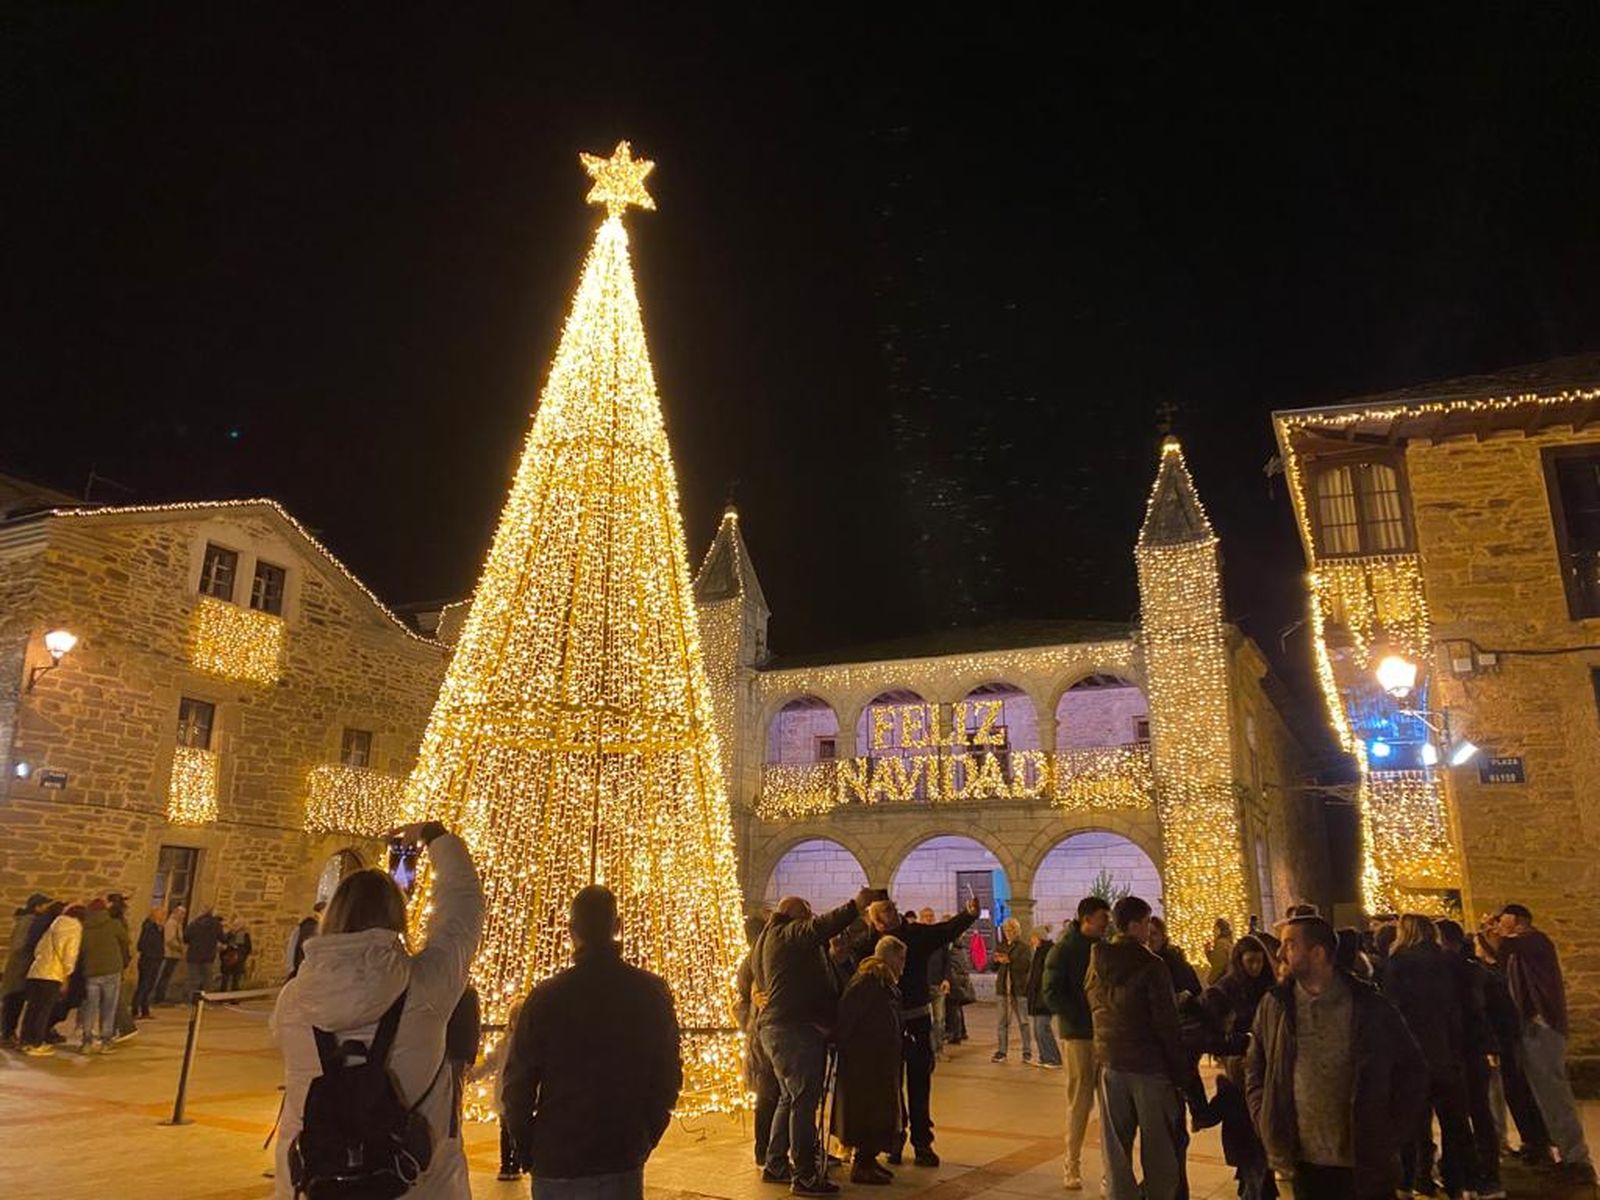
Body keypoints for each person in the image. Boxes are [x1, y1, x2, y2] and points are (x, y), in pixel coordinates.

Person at [271, 821, 484, 1199]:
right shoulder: (426, 986)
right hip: (415, 1185)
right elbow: (462, 913)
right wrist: (437, 837)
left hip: (319, 1186)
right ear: (397, 918)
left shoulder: (294, 999)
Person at [503, 885, 681, 1200]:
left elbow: (518, 1083)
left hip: (557, 1156)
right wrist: (644, 1138)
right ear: (618, 926)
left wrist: (528, 1149)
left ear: (571, 930)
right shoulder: (649, 993)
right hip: (620, 1152)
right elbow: (667, 1077)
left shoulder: (546, 997)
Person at [1245, 915, 1427, 1200]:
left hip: (1363, 1160)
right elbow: (1256, 1066)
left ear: (1318, 953)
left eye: (1290, 945)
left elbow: (1412, 1070)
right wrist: (1264, 1118)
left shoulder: (1368, 1006)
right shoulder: (1275, 1005)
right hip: (1303, 1161)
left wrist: (1390, 1132)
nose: (1279, 954)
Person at [754, 887, 873, 1194]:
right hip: (794, 1030)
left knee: (789, 1099)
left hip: (782, 1028)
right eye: (807, 912)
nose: (811, 917)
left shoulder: (775, 937)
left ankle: (776, 1164)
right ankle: (805, 1175)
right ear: (793, 914)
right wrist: (855, 905)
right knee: (804, 1103)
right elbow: (818, 927)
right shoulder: (787, 932)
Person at [1084, 896, 1201, 1200]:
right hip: (1148, 1065)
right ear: (1134, 924)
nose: (1150, 929)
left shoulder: (1097, 957)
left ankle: (1119, 1194)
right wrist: (1180, 1073)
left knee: (1115, 1143)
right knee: (1158, 1142)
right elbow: (1166, 1023)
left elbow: (1092, 1000)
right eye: (1147, 922)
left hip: (1110, 1060)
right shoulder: (1152, 965)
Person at [864, 893, 979, 1168]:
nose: (893, 914)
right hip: (888, 1023)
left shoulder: (915, 934)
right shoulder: (870, 942)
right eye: (886, 912)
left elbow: (944, 931)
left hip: (916, 1018)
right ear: (878, 923)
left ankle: (922, 1143)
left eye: (892, 909)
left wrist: (968, 915)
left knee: (918, 1083)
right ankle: (895, 1140)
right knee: (891, 1085)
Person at [1491, 903, 1595, 1184]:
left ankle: (1577, 1158)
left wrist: (1489, 935)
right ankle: (1550, 1149)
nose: (1498, 922)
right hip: (1528, 1028)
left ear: (1516, 919)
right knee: (1537, 1095)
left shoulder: (1536, 941)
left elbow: (1507, 948)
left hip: (1543, 1027)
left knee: (1553, 1094)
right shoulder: (1518, 947)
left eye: (1502, 918)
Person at [1382, 913, 1478, 1198]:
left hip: (1412, 1053)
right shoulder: (1447, 962)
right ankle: (1456, 1180)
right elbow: (1460, 1007)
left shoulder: (1397, 964)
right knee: (1453, 1122)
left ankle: (1417, 1178)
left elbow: (1391, 1010)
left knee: (1414, 1123)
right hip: (1444, 1051)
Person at [1198, 935, 1276, 1200]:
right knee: (1249, 1137)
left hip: (1264, 1072)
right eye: (1250, 961)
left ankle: (1254, 1185)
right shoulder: (1225, 990)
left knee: (1259, 1138)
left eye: (1259, 961)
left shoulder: (1268, 988)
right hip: (1239, 1072)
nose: (1255, 967)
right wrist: (1241, 1042)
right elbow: (1211, 1036)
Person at [1041, 895, 1111, 1191]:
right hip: (1079, 1036)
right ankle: (1072, 1164)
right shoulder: (1063, 950)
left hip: (1106, 1035)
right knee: (1080, 1103)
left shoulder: (1106, 948)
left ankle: (1111, 1173)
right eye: (1103, 918)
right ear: (1087, 919)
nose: (1107, 924)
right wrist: (1082, 1014)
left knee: (1110, 1108)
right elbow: (1050, 992)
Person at [833, 935, 908, 1184]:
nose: (903, 964)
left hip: (879, 1059)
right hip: (865, 1062)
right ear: (889, 957)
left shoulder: (882, 981)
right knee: (869, 1112)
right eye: (901, 958)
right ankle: (862, 1164)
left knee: (880, 1110)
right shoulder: (869, 980)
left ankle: (869, 1159)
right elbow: (848, 1018)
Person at [1437, 919, 1503, 1199]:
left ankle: (1465, 1174)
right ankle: (1490, 1175)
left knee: (1457, 1115)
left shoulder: (1444, 971)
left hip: (1457, 1049)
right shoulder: (1476, 970)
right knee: (1480, 1111)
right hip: (1475, 1048)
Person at [1474, 931, 1552, 1167]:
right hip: (1506, 1039)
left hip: (1503, 1041)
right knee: (1513, 1092)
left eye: (1478, 945)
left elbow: (1498, 1011)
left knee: (1515, 1091)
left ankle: (1536, 1142)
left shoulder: (1491, 976)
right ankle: (1534, 1141)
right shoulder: (1493, 974)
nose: (1476, 949)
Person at [736, 912, 780, 1169]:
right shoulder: (754, 960)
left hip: (762, 1032)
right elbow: (742, 998)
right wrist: (751, 1019)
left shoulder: (758, 958)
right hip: (762, 1035)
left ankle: (769, 1148)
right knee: (767, 1096)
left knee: (772, 1095)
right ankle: (763, 1149)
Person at [20, 904, 85, 1056]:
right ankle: (36, 1044)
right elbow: (69, 954)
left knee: (32, 1009)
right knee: (44, 1011)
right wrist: (67, 973)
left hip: (37, 970)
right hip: (53, 974)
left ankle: (25, 1041)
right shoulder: (74, 927)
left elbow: (38, 948)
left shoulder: (54, 924)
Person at [76, 897, 130, 1054]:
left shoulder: (84, 928)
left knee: (90, 1008)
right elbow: (126, 940)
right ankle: (106, 1042)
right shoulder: (113, 924)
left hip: (92, 971)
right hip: (112, 969)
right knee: (108, 1008)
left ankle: (86, 1043)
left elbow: (81, 949)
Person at [2, 892, 54, 1043]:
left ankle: (8, 1033)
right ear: (37, 907)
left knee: (14, 1001)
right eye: (44, 905)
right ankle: (7, 1034)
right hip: (19, 968)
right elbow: (18, 946)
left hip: (20, 967)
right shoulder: (28, 922)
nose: (46, 908)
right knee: (13, 1002)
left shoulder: (28, 921)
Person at [991, 917, 1033, 1064]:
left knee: (1023, 1022)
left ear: (1017, 931)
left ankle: (1027, 1051)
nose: (1008, 933)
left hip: (1018, 989)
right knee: (1002, 1022)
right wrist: (995, 960)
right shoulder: (1001, 946)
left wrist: (1010, 960)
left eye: (1011, 930)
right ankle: (1002, 1051)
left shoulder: (1024, 947)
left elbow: (1026, 966)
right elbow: (992, 967)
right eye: (1006, 930)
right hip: (1003, 988)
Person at [1024, 925, 1061, 1069]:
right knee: (1038, 1030)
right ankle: (1044, 1057)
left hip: (1044, 997)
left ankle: (1053, 1058)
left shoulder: (1047, 952)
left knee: (1042, 1028)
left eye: (1033, 937)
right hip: (1037, 997)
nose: (1031, 940)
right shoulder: (1039, 952)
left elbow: (1047, 976)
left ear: (1038, 937)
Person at [919, 908, 950, 1059]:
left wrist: (946, 979)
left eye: (931, 916)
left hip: (938, 984)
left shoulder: (939, 937)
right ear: (921, 919)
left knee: (940, 1019)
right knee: (926, 1020)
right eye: (926, 917)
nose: (929, 919)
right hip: (922, 985)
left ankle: (939, 1049)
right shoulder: (917, 938)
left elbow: (947, 960)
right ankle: (928, 1050)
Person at [1148, 916, 1203, 996]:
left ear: (1163, 937)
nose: (1150, 938)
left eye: (1154, 933)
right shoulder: (1146, 960)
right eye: (1147, 934)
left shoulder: (1172, 959)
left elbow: (1190, 987)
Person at [133, 905, 165, 1019]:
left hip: (156, 959)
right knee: (144, 985)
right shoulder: (149, 927)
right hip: (148, 960)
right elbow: (142, 944)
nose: (163, 916)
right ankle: (135, 1009)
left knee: (149, 985)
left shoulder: (159, 928)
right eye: (161, 914)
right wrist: (153, 953)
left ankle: (145, 1010)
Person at [184, 906, 224, 997]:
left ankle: (191, 1000)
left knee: (193, 980)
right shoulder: (216, 924)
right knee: (207, 980)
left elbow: (186, 938)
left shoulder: (194, 923)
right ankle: (206, 999)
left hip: (193, 955)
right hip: (208, 956)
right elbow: (222, 938)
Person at [286, 899, 325, 979]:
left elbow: (291, 948)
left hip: (302, 969)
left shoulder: (301, 927)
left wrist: (291, 968)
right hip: (308, 969)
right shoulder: (314, 929)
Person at [154, 903, 185, 1004]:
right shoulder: (172, 923)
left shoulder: (178, 924)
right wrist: (180, 948)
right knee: (164, 976)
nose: (183, 916)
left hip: (174, 954)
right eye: (181, 913)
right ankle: (159, 997)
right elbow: (170, 940)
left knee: (167, 976)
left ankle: (161, 995)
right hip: (170, 954)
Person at [219, 922, 253, 992]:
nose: (235, 927)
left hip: (238, 959)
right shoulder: (229, 935)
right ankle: (223, 993)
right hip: (228, 958)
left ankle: (234, 994)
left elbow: (248, 948)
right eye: (234, 925)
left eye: (237, 925)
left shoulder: (244, 935)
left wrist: (242, 955)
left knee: (236, 978)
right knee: (226, 977)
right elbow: (223, 945)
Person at [1204, 917, 1233, 985]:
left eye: (1214, 929)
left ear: (1219, 930)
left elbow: (1218, 965)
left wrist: (1211, 980)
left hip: (1221, 983)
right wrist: (1209, 953)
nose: (1213, 931)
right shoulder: (1227, 942)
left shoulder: (1221, 944)